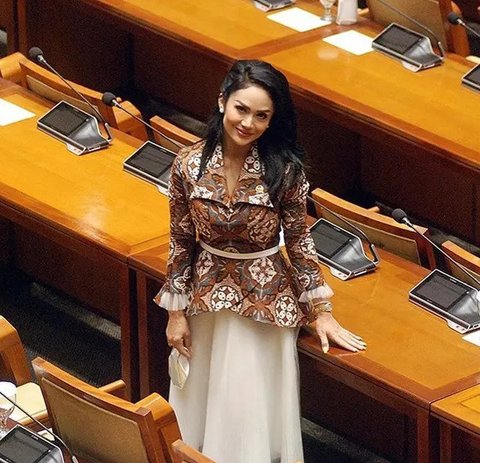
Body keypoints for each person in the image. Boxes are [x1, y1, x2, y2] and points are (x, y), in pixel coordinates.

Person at [154, 60, 366, 463]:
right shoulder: (187, 164)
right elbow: (181, 241)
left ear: (273, 120)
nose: (248, 122)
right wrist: (175, 313)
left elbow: (300, 242)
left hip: (265, 299)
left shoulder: (285, 171)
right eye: (241, 109)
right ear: (222, 102)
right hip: (206, 296)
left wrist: (320, 311)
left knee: (243, 412)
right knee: (201, 407)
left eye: (261, 116)